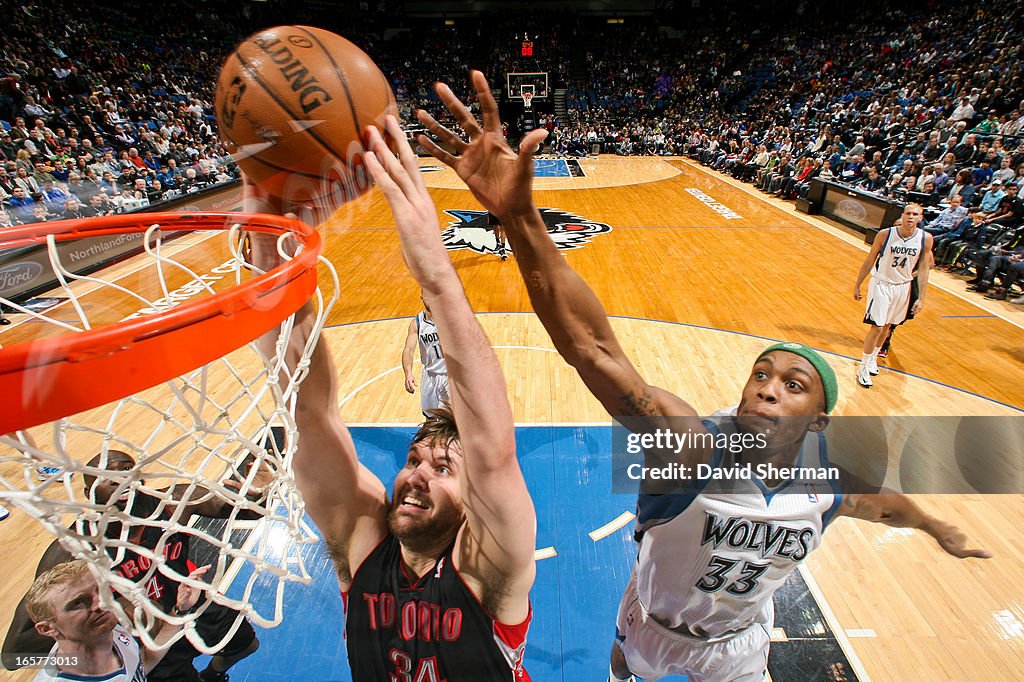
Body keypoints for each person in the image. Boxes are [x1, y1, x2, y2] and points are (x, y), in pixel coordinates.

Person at [413, 70, 989, 682]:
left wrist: (934, 524)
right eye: (760, 374)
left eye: (793, 385)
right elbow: (590, 347)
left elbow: (884, 507)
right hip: (655, 622)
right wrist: (521, 218)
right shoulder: (690, 447)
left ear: (819, 420)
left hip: (739, 644)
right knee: (623, 663)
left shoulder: (828, 482)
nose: (767, 386)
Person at [243, 110, 535, 680]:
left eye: (444, 466)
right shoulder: (363, 541)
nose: (416, 473)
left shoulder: (488, 567)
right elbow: (308, 411)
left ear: (474, 495)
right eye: (413, 460)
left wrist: (435, 272)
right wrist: (273, 240)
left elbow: (495, 452)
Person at [3, 451, 263, 682]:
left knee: (247, 645)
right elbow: (13, 656)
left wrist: (257, 495)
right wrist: (82, 643)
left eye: (126, 468)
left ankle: (213, 674)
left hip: (190, 603)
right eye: (104, 475)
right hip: (143, 638)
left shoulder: (173, 502)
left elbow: (248, 511)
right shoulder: (74, 547)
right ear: (88, 494)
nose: (119, 478)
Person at [25, 559, 207, 681]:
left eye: (99, 590)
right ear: (47, 629)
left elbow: (142, 662)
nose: (101, 603)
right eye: (79, 603)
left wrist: (180, 609)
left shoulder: (109, 631)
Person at [853, 204, 933, 387]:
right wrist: (858, 284)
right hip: (882, 283)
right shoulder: (885, 234)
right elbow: (869, 260)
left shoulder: (925, 239)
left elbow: (924, 269)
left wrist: (921, 297)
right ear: (902, 215)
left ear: (920, 218)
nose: (910, 217)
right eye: (908, 213)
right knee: (877, 327)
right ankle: (863, 366)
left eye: (915, 214)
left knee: (887, 327)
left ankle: (873, 357)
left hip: (903, 287)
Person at [401, 295, 451, 415]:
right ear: (422, 297)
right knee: (430, 420)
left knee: (453, 420)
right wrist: (408, 373)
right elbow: (408, 350)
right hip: (430, 376)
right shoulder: (417, 323)